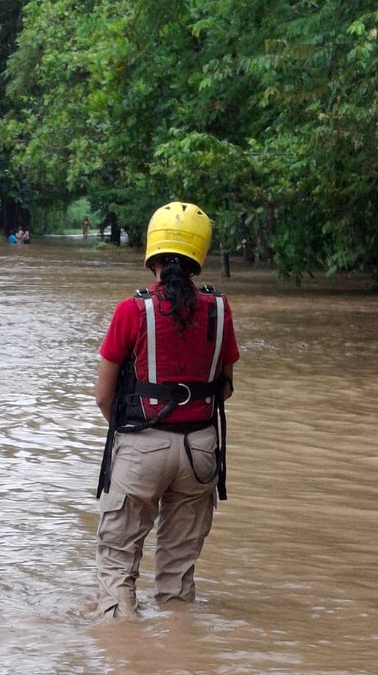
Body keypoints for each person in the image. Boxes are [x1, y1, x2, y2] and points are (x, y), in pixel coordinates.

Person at [94, 200, 240, 619]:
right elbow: (224, 388)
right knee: (178, 579)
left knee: (117, 566)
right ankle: (179, 658)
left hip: (142, 445)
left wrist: (135, 434)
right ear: (200, 254)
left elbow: (104, 395)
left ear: (152, 253)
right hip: (200, 451)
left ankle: (123, 656)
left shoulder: (131, 310)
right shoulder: (219, 309)